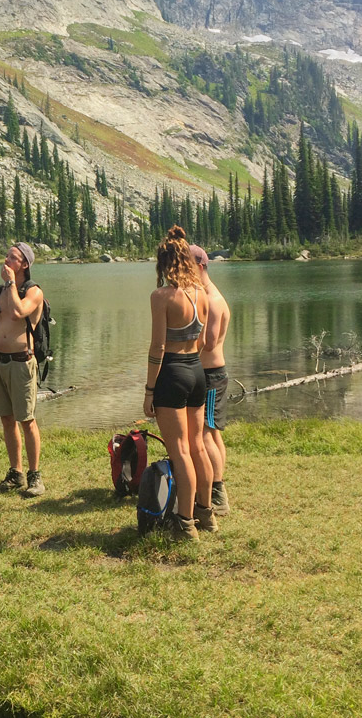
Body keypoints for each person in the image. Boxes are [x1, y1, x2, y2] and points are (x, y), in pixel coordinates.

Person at [143, 226, 215, 541]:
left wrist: (149, 390)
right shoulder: (202, 293)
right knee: (198, 446)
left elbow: (158, 347)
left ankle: (184, 524)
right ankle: (206, 514)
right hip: (197, 371)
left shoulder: (161, 296)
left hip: (172, 374)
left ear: (163, 263)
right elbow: (202, 342)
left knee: (180, 450)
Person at [0, 242, 46, 497]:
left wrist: (10, 284)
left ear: (25, 264)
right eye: (6, 255)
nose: (6, 260)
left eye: (13, 257)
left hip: (22, 361)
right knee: (6, 419)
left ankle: (35, 476)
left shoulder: (33, 292)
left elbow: (19, 312)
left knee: (26, 420)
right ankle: (15, 473)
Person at [190, 245, 232, 516]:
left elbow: (210, 342)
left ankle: (217, 492)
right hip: (205, 375)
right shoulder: (203, 296)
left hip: (211, 376)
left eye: (186, 265)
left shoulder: (213, 300)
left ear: (201, 266)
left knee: (206, 433)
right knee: (211, 432)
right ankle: (214, 484)